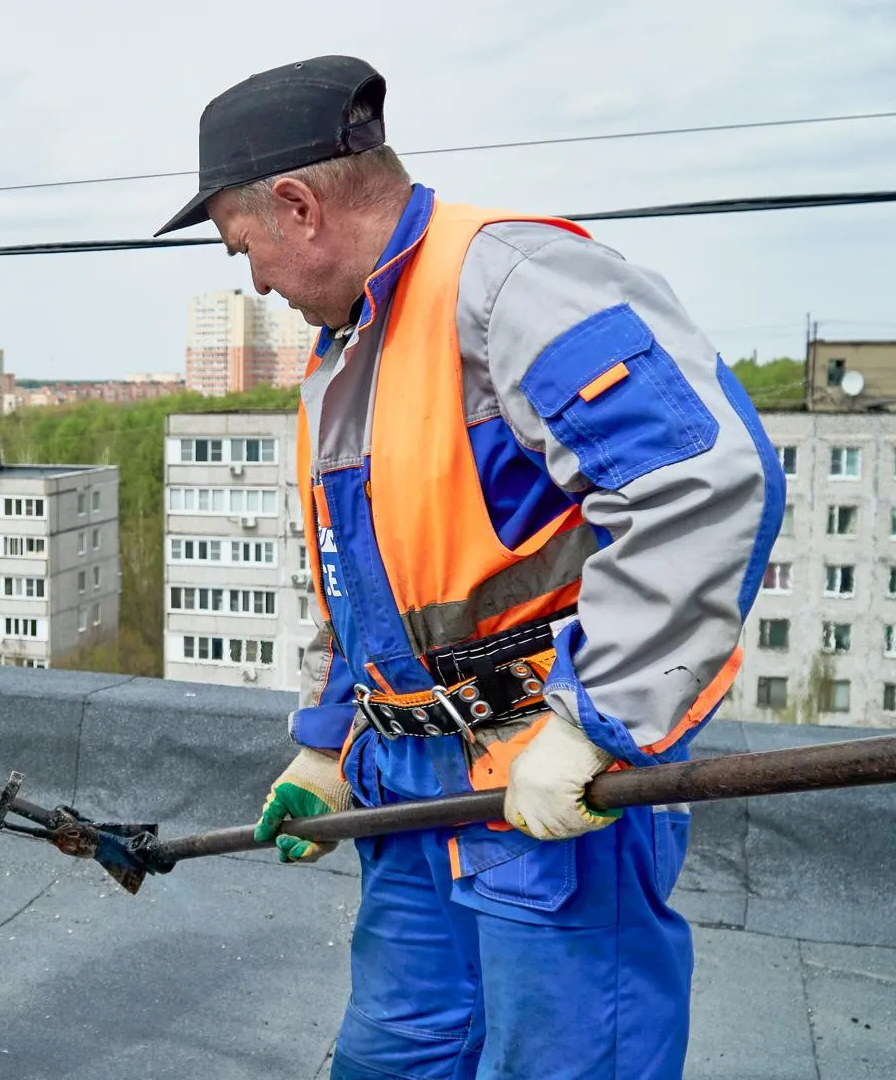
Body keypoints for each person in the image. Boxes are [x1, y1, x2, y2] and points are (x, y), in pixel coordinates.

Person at [157, 57, 781, 1079]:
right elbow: (364, 579)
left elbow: (703, 483)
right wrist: (327, 745)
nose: (257, 282)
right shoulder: (351, 346)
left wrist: (596, 723)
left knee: (567, 1062)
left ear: (299, 206)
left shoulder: (511, 285)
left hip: (547, 781)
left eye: (245, 251)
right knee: (392, 1061)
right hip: (411, 789)